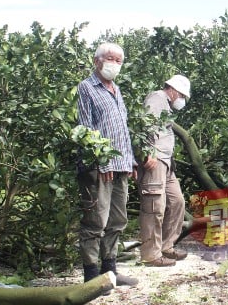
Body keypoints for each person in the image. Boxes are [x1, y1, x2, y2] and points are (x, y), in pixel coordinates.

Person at [76, 42, 139, 286]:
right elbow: (86, 130)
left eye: (118, 61)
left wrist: (130, 160)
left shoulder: (116, 89)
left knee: (117, 220)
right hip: (99, 168)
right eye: (110, 58)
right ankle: (92, 277)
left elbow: (122, 130)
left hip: (121, 166)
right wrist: (102, 163)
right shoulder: (86, 88)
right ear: (97, 61)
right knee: (95, 222)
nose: (114, 64)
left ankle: (110, 271)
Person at [138, 75, 191, 266]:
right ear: (174, 90)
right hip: (155, 160)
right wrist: (148, 152)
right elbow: (145, 125)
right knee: (154, 207)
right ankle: (151, 255)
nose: (182, 100)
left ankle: (166, 246)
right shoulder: (157, 98)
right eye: (182, 96)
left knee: (177, 202)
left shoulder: (166, 105)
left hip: (167, 163)